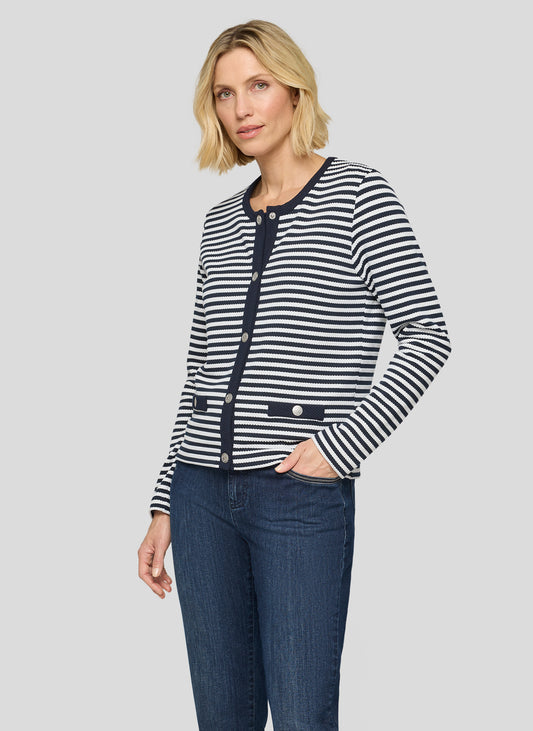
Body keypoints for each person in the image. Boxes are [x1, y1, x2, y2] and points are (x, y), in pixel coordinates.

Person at [138, 19, 452, 730]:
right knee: (223, 717)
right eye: (224, 93)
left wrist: (340, 447)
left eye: (258, 85)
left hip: (296, 494)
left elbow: (427, 335)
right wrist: (163, 502)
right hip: (200, 494)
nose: (241, 108)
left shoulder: (359, 195)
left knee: (304, 715)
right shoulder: (219, 222)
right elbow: (199, 371)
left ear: (295, 91)